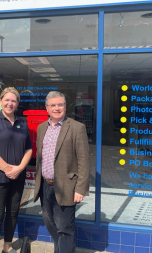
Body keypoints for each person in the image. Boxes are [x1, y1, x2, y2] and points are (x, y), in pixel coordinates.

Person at [33, 91, 90, 253]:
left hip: (67, 186)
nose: (57, 108)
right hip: (45, 186)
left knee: (65, 228)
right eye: (53, 105)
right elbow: (39, 156)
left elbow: (84, 160)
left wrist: (80, 188)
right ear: (47, 108)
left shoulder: (77, 128)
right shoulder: (41, 127)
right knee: (50, 223)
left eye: (60, 105)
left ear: (65, 106)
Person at [0, 87, 32, 253]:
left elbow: (29, 149)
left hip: (18, 176)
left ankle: (7, 247)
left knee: (12, 213)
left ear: (17, 103)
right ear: (1, 101)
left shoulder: (22, 123)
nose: (10, 103)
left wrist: (18, 169)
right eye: (7, 100)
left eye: (13, 100)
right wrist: (7, 168)